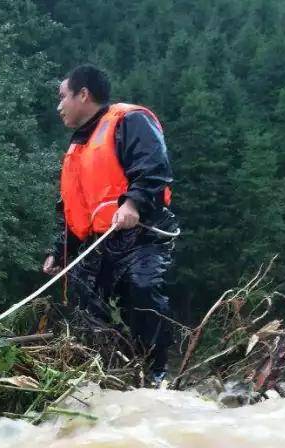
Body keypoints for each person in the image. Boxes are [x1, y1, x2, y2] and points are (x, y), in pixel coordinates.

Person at [43, 64, 178, 385]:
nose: (59, 106)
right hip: (98, 245)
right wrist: (60, 253)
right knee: (82, 305)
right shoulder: (77, 148)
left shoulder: (130, 121)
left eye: (63, 97)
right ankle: (108, 374)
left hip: (142, 234)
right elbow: (74, 211)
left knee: (142, 290)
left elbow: (155, 167)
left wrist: (133, 203)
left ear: (83, 95)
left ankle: (157, 374)